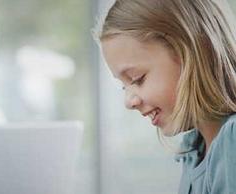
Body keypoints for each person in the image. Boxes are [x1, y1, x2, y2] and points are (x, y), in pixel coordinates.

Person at [96, 0, 236, 193]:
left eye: (137, 79)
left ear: (188, 52)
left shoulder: (232, 140)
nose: (129, 102)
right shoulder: (194, 148)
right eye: (123, 86)